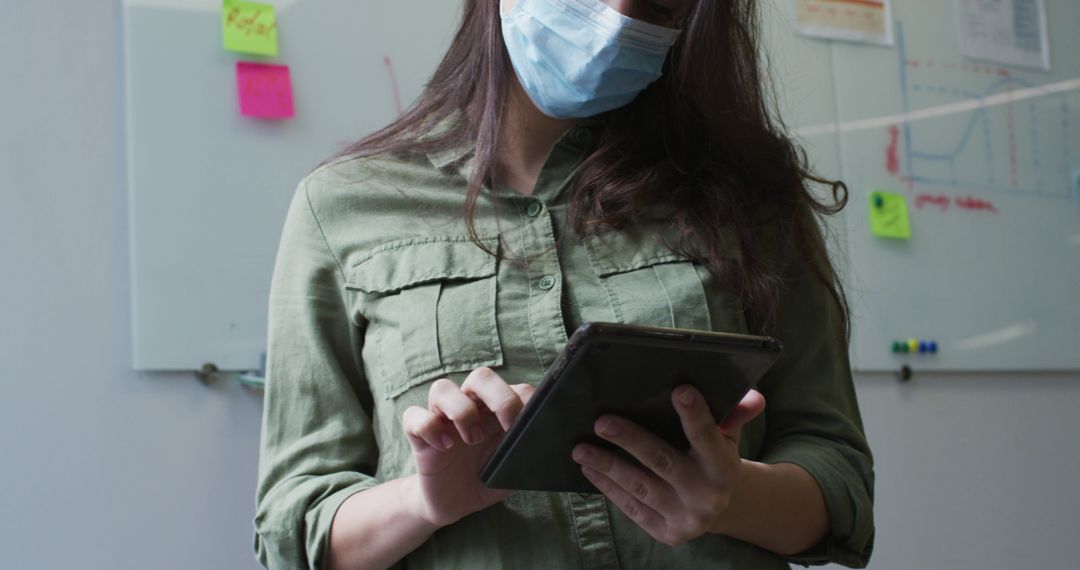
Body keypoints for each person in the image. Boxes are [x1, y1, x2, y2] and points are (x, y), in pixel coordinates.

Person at [253, 0, 875, 568]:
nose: (617, 17)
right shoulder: (342, 206)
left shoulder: (750, 193)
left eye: (654, 3)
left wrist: (735, 498)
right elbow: (292, 527)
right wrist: (424, 502)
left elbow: (839, 479)